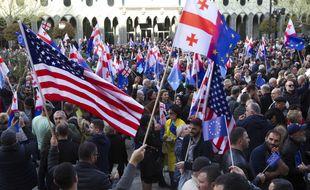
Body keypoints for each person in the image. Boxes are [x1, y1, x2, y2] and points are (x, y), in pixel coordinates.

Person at [50, 140, 147, 190]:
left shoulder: (63, 171)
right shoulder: (101, 178)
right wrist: (133, 161)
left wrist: (54, 148)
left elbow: (51, 168)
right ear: (76, 178)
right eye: (96, 154)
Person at [176, 118, 213, 189]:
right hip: (186, 171)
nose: (191, 131)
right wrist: (181, 164)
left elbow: (205, 163)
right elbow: (183, 154)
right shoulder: (187, 138)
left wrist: (186, 165)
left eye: (194, 129)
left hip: (198, 173)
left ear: (201, 129)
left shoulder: (206, 143)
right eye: (190, 128)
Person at [134, 115, 162, 190]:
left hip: (142, 157)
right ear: (147, 123)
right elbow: (157, 143)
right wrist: (157, 132)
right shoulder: (146, 135)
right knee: (147, 179)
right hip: (148, 158)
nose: (152, 122)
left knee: (143, 177)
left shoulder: (140, 130)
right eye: (151, 121)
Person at [163, 104, 186, 188]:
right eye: (169, 113)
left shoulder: (181, 123)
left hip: (177, 152)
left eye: (172, 113)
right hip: (169, 151)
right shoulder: (168, 122)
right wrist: (165, 136)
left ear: (176, 113)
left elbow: (182, 139)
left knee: (176, 175)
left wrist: (173, 139)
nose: (170, 115)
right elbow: (165, 132)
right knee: (170, 172)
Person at [281, 123, 309, 190]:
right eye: (300, 131)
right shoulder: (288, 150)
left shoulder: (298, 141)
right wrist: (301, 169)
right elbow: (288, 171)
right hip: (294, 183)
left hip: (301, 178)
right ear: (294, 134)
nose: (303, 132)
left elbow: (302, 154)